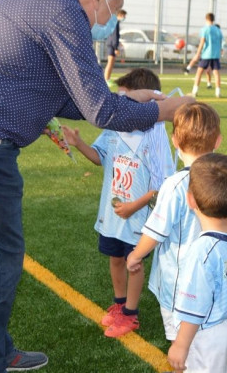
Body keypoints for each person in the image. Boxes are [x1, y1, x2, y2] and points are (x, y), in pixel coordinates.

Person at [0, 0, 193, 372]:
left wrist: (129, 100)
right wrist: (166, 109)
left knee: (0, 257)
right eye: (115, 7)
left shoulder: (46, 1)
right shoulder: (64, 11)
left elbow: (70, 98)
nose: (111, 19)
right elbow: (100, 111)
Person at [61, 68, 175, 338]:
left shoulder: (155, 136)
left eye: (125, 99)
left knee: (133, 262)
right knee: (115, 259)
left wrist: (134, 206)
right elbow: (99, 157)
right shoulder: (114, 129)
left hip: (138, 218)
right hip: (112, 216)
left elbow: (164, 185)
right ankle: (120, 303)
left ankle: (131, 315)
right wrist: (78, 143)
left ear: (145, 104)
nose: (119, 105)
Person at [125, 102, 222, 344]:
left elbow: (156, 231)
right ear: (218, 141)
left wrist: (136, 255)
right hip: (216, 277)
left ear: (175, 141)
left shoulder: (175, 184)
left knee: (181, 344)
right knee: (206, 340)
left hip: (181, 285)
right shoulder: (226, 175)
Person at [168, 153, 227, 373]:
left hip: (208, 335)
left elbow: (195, 305)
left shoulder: (202, 250)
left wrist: (180, 344)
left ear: (190, 200)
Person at [185, 13, 223, 98]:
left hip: (206, 54)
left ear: (206, 19)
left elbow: (202, 41)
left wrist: (198, 53)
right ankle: (218, 92)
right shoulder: (218, 30)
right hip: (216, 54)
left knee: (199, 72)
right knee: (216, 73)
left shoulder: (205, 29)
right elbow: (221, 42)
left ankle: (194, 91)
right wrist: (219, 51)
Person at [103, 9, 127, 84]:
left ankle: (108, 78)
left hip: (111, 44)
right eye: (124, 16)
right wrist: (115, 48)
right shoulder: (115, 22)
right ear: (120, 15)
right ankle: (106, 79)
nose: (124, 17)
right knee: (110, 62)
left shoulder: (114, 22)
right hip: (111, 45)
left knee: (111, 62)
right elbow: (114, 36)